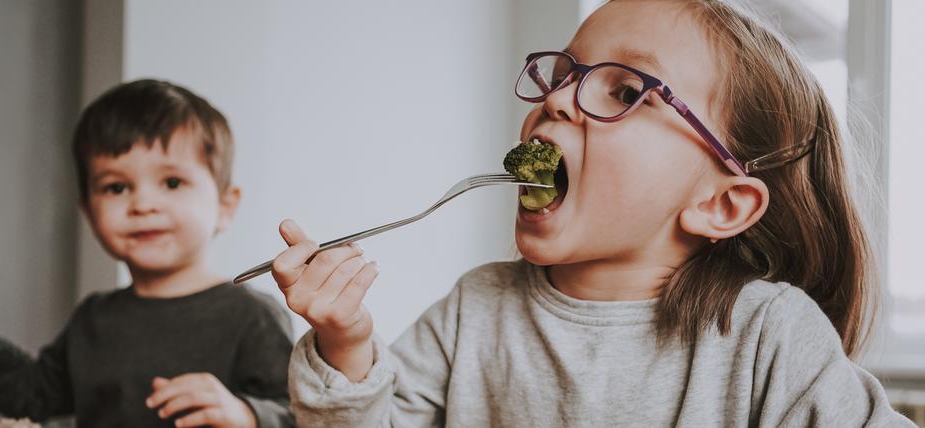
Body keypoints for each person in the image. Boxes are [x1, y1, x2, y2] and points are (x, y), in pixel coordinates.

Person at [268, 1, 914, 426]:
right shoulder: (478, 310)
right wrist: (345, 344)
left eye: (626, 90)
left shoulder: (767, 337)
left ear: (721, 203)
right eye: (562, 74)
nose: (557, 99)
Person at [0, 79, 295, 428]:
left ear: (225, 205)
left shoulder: (252, 318)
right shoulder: (93, 319)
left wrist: (246, 414)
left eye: (172, 182)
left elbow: (300, 413)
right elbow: (33, 400)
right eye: (116, 187)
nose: (144, 204)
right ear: (88, 211)